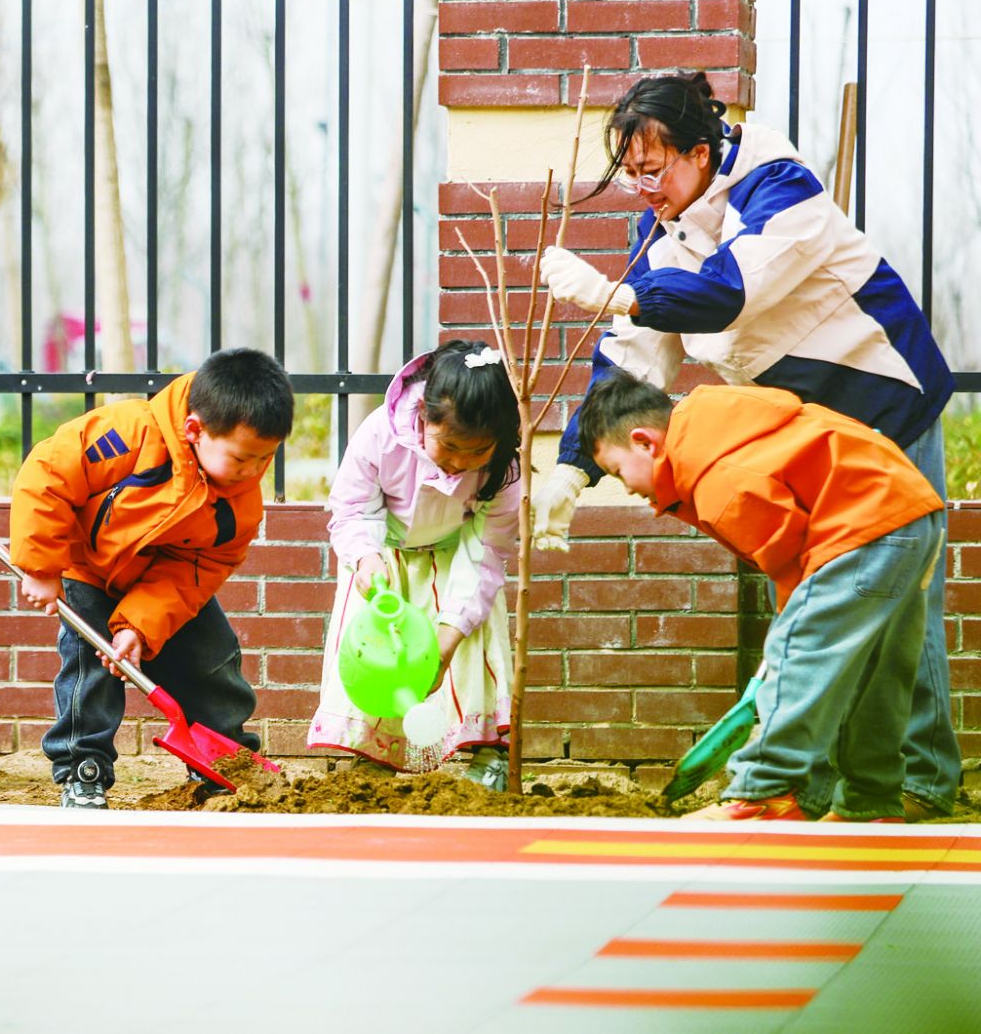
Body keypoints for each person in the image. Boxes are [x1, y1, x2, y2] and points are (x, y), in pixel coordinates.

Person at [532, 70, 956, 821]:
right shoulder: (661, 235)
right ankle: (819, 786)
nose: (642, 189)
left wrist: (617, 293)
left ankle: (917, 779)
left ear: (700, 152)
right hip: (802, 441)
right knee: (814, 612)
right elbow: (628, 367)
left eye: (652, 170)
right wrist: (572, 466)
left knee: (893, 603)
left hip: (886, 404)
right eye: (631, 175)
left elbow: (731, 290)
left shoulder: (777, 185)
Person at [580, 373, 944, 822]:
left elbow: (794, 577)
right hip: (909, 511)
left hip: (860, 523)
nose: (627, 487)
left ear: (644, 442)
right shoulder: (720, 431)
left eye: (618, 472)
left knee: (799, 651)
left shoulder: (721, 480)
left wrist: (787, 643)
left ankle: (764, 790)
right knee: (876, 671)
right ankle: (869, 802)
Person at [8, 347, 295, 810]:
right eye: (242, 459)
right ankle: (83, 768)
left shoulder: (240, 508)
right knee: (90, 667)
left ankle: (226, 760)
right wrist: (42, 568)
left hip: (157, 583)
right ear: (194, 430)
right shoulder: (129, 433)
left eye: (266, 459)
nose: (253, 471)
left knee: (212, 660)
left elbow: (194, 572)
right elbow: (49, 475)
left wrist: (138, 626)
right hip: (88, 568)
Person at [309, 340, 520, 788]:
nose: (459, 463)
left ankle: (489, 756)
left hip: (459, 559)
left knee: (473, 639)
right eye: (450, 446)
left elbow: (486, 551)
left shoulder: (504, 468)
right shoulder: (380, 435)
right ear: (424, 415)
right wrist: (366, 559)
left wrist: (448, 639)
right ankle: (375, 756)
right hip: (384, 559)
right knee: (378, 651)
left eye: (476, 452)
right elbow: (351, 510)